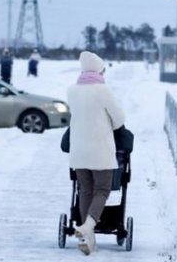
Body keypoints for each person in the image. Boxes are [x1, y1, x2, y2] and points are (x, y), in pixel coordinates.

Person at [67, 51, 126, 255]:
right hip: (100, 151)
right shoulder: (103, 90)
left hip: (79, 152)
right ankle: (88, 226)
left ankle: (88, 240)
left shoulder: (72, 90)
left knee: (85, 190)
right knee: (102, 191)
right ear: (99, 70)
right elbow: (119, 118)